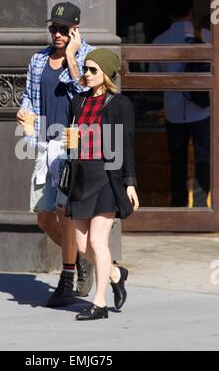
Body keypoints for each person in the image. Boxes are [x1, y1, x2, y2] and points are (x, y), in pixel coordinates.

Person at [16, 2, 94, 307]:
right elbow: (30, 96)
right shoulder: (38, 60)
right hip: (44, 145)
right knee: (45, 217)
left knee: (66, 214)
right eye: (53, 29)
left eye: (63, 29)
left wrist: (73, 58)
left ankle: (66, 280)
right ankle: (86, 262)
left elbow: (86, 96)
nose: (57, 34)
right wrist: (25, 114)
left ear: (75, 29)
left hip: (73, 147)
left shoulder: (88, 56)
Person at [64, 48, 139, 321]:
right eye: (85, 69)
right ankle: (116, 274)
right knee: (81, 245)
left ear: (106, 73)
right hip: (80, 176)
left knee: (97, 240)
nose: (87, 74)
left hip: (107, 176)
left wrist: (130, 183)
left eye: (93, 69)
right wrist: (69, 142)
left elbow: (126, 146)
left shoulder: (120, 104)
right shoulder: (78, 102)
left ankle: (100, 303)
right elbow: (72, 138)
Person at [150, 0, 210, 207]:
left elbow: (153, 78)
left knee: (177, 161)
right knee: (205, 157)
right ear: (191, 10)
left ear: (169, 14)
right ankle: (204, 205)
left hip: (173, 110)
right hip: (203, 107)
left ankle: (179, 206)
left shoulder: (159, 41)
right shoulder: (206, 35)